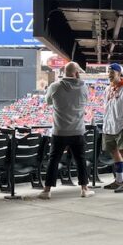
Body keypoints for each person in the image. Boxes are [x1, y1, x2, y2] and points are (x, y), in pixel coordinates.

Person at [38, 62, 94, 199]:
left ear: (64, 72)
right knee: (80, 160)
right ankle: (84, 189)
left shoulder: (55, 86)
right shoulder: (84, 88)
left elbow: (48, 102)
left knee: (54, 160)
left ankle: (47, 190)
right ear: (76, 73)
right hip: (77, 130)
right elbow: (85, 101)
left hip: (59, 131)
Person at [102, 63, 123, 192]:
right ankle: (119, 180)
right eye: (108, 72)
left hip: (121, 126)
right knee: (114, 152)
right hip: (109, 126)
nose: (109, 75)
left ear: (119, 73)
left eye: (112, 72)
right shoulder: (108, 89)